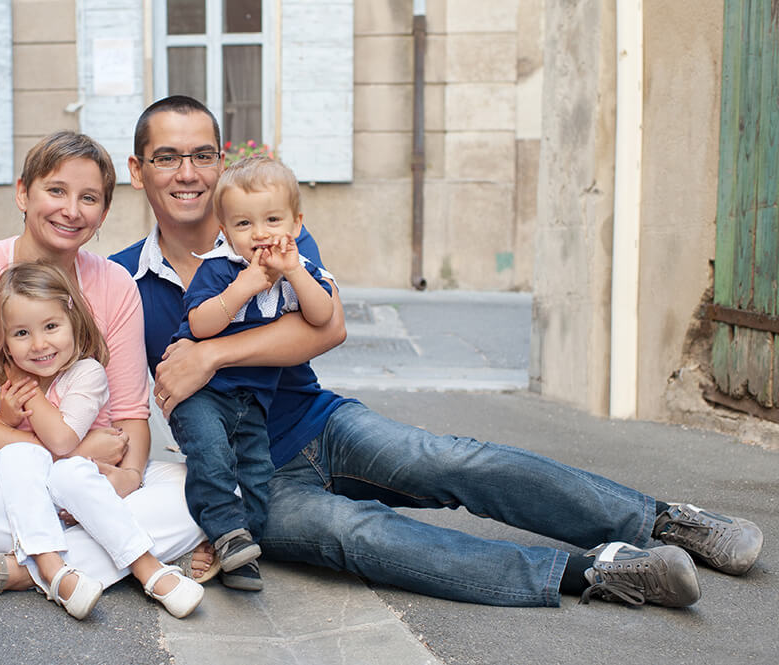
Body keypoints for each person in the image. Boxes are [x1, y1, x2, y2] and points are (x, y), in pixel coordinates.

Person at [111, 95, 764, 609]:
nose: (188, 172)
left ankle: (667, 521)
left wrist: (209, 356)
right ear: (138, 171)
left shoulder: (266, 227)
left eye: (202, 154)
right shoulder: (119, 281)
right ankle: (599, 570)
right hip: (251, 477)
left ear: (221, 164)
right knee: (360, 535)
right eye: (167, 157)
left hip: (320, 421)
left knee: (450, 459)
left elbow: (325, 329)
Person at [0, 130, 217, 619]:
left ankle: (15, 570)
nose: (72, 210)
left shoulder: (114, 284)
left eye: (89, 198)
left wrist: (127, 476)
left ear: (104, 213)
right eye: (56, 191)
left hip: (91, 477)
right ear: (23, 193)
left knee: (205, 489)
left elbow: (131, 412)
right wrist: (72, 451)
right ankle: (119, 551)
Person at [0, 260, 203, 618]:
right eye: (21, 334)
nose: (39, 344)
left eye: (51, 326)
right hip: (26, 499)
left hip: (79, 492)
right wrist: (4, 419)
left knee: (73, 473)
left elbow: (63, 440)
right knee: (15, 457)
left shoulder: (85, 373)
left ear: (73, 323)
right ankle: (54, 571)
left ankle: (147, 568)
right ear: (3, 343)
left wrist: (32, 397)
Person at [168, 156, 334, 591]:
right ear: (224, 231)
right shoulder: (220, 268)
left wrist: (295, 272)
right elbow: (201, 325)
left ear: (296, 225)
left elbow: (323, 317)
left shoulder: (297, 270)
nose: (260, 234)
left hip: (254, 402)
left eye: (273, 220)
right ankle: (224, 533)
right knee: (212, 459)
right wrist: (244, 286)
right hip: (202, 394)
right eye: (243, 225)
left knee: (257, 474)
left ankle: (243, 549)